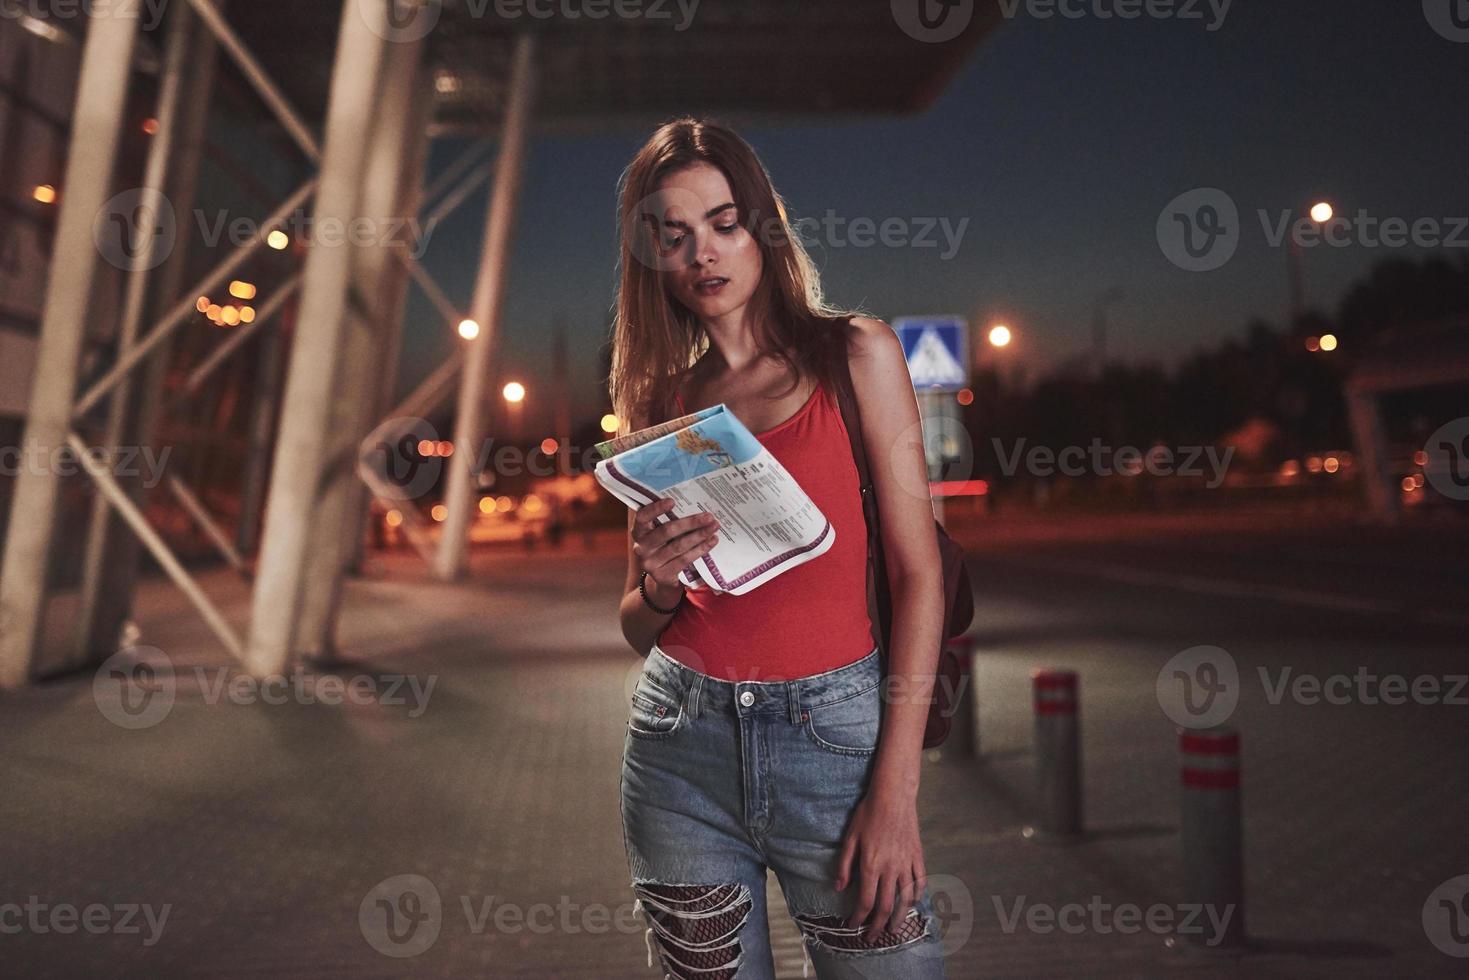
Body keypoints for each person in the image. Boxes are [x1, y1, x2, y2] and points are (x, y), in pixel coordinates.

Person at [609, 117, 948, 980]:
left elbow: (918, 575)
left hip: (834, 741)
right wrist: (655, 583)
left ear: (762, 227)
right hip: (679, 745)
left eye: (723, 224)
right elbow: (637, 625)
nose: (702, 256)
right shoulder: (665, 403)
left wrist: (895, 792)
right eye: (674, 236)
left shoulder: (852, 353)